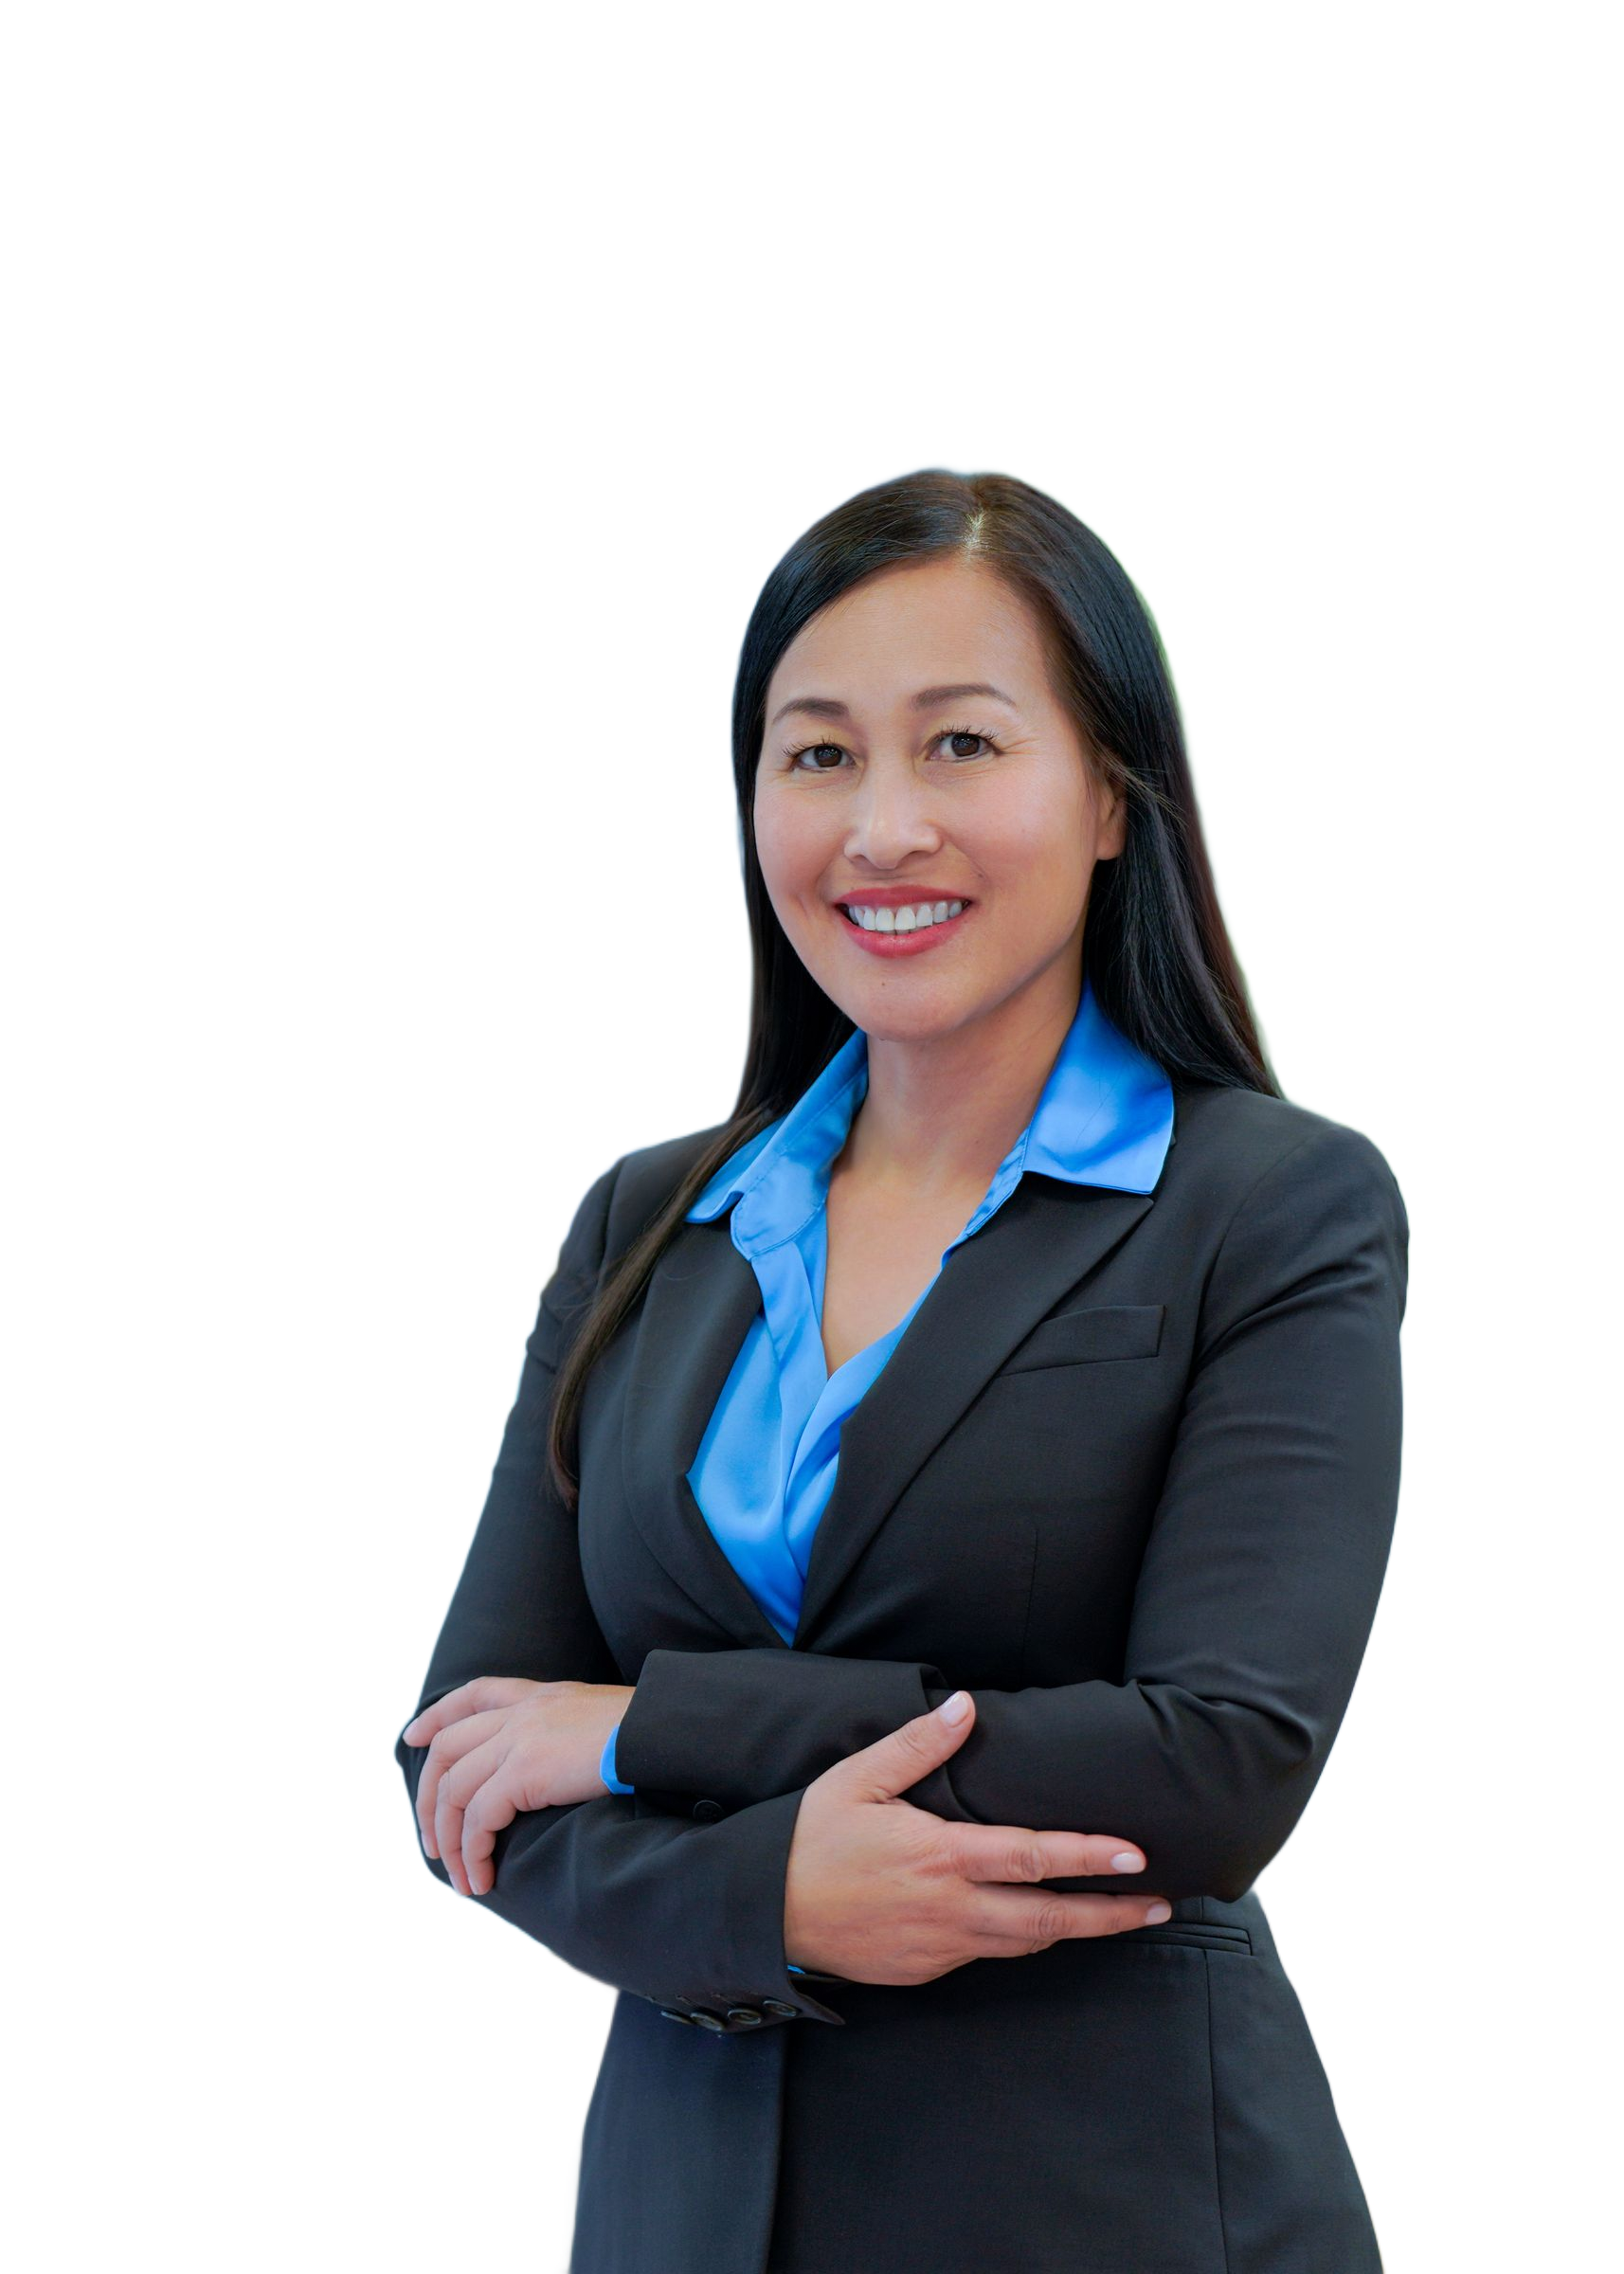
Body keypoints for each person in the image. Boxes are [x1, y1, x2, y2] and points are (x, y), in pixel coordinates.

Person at [393, 463, 1408, 2273]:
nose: (881, 828)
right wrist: (765, 1898)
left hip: (1111, 2210)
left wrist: (644, 1731)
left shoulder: (1273, 1203)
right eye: (819, 754)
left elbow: (1217, 1764)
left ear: (1113, 793)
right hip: (677, 2218)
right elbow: (467, 1765)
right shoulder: (647, 1219)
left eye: (960, 744)